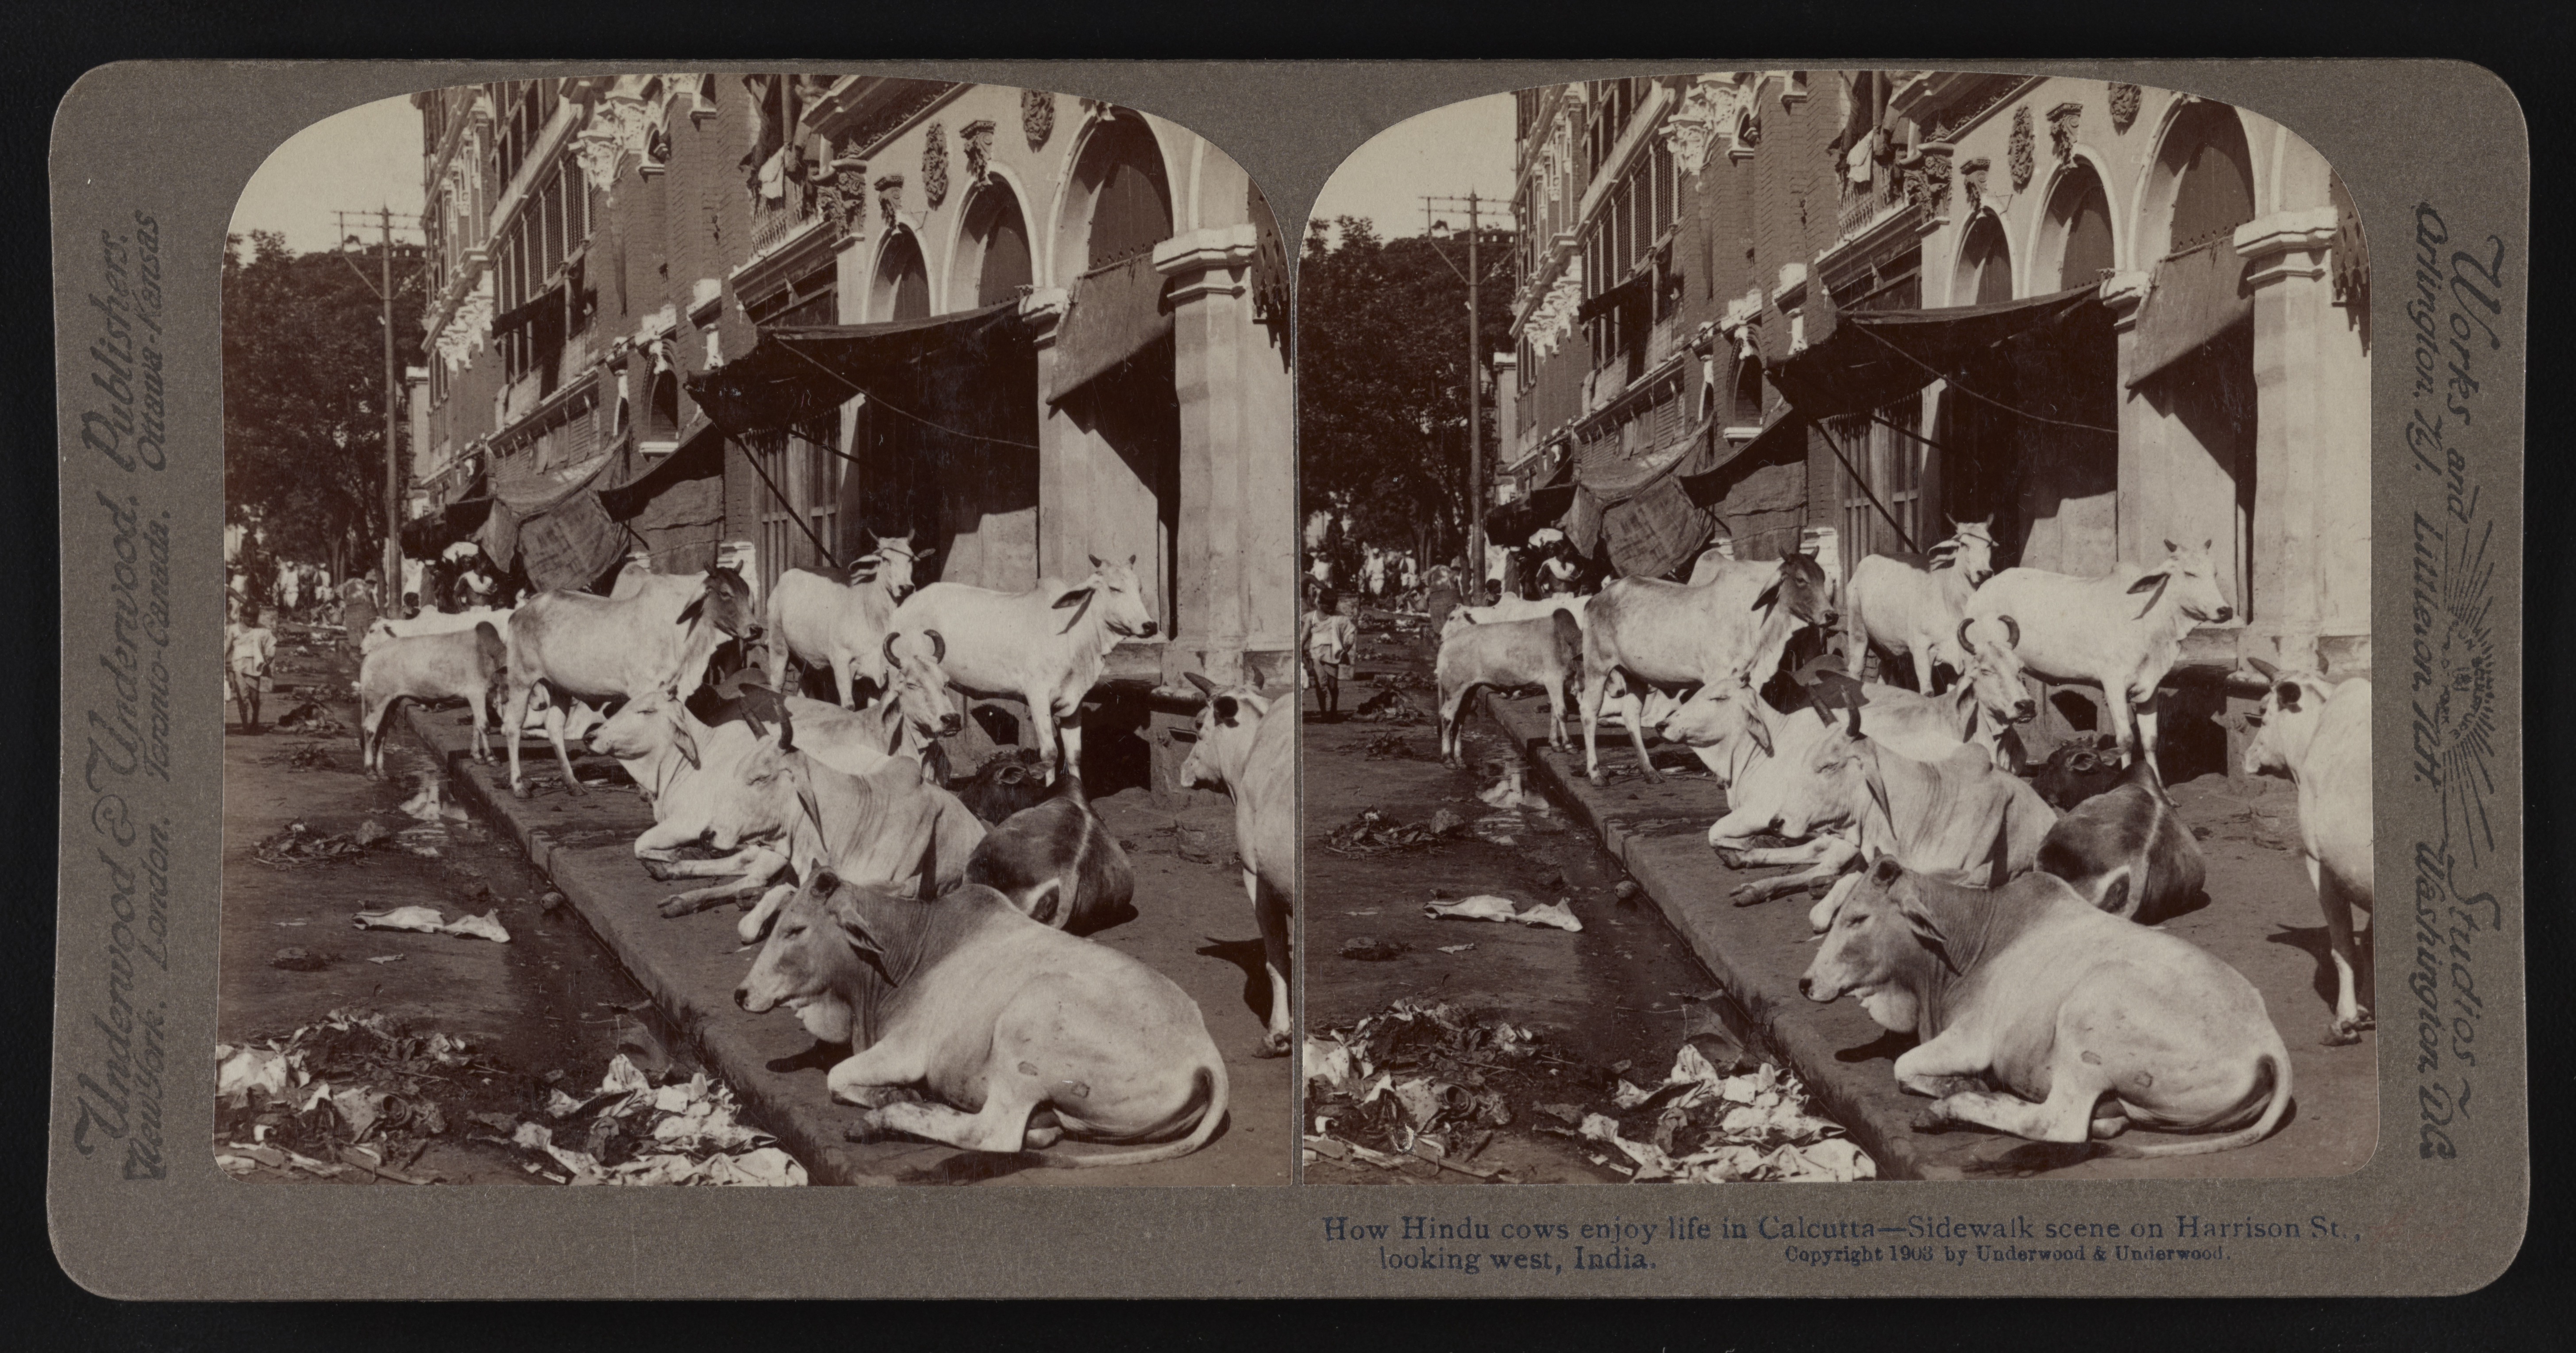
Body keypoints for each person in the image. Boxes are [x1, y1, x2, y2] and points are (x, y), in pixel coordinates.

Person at [1303, 590, 1359, 718]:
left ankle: (1334, 707)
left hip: (1332, 655)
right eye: (1328, 606)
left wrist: (1347, 647)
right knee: (1321, 684)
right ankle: (1323, 712)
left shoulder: (1340, 618)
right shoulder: (1312, 617)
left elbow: (1350, 632)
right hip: (1316, 654)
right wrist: (1301, 651)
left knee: (1333, 686)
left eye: (1334, 606)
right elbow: (1304, 637)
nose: (1331, 609)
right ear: (1320, 603)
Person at [227, 605, 277, 734]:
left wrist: (270, 657)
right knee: (242, 697)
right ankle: (245, 725)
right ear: (242, 616)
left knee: (254, 697)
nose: (252, 621)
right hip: (238, 666)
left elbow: (271, 644)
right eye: (249, 618)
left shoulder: (262, 630)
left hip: (255, 666)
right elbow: (226, 648)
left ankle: (255, 720)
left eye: (255, 618)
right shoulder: (233, 629)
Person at [339, 575, 379, 662]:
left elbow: (343, 594)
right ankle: (364, 646)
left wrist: (347, 601)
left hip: (351, 606)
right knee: (363, 627)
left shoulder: (348, 584)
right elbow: (368, 598)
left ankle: (357, 645)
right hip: (361, 606)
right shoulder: (363, 585)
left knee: (355, 628)